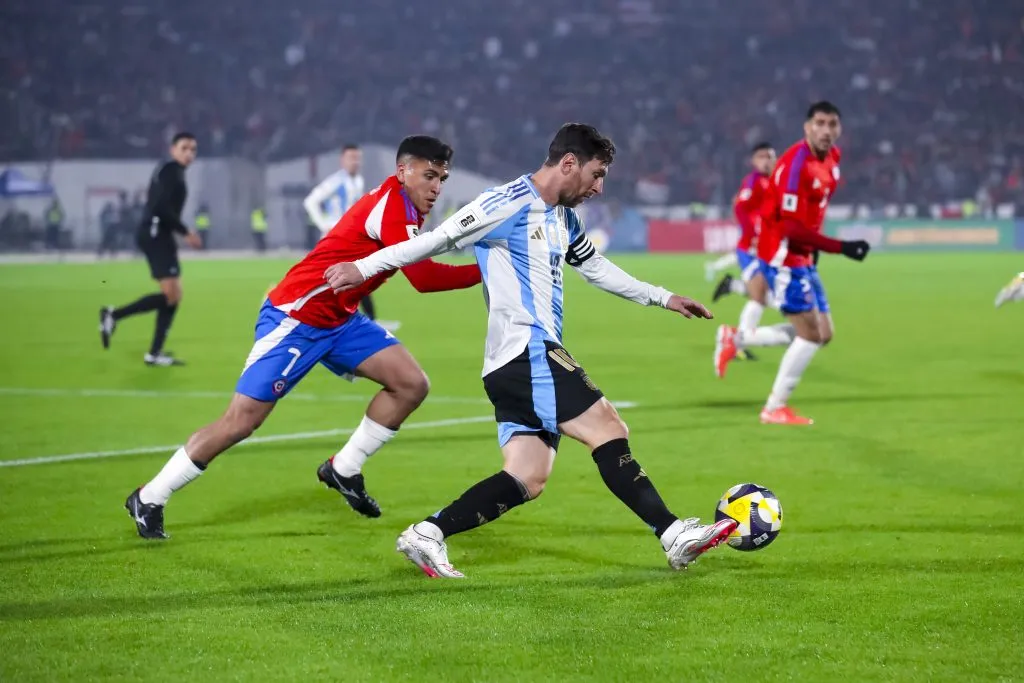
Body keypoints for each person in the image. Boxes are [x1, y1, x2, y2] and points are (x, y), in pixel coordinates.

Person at [324, 123, 737, 578]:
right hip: (528, 350)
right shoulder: (506, 203)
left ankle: (428, 533)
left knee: (528, 475)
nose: (599, 188)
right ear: (568, 163)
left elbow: (595, 267)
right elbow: (433, 241)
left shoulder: (563, 216)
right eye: (596, 174)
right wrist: (362, 267)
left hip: (513, 363)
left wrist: (662, 297)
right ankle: (673, 534)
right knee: (607, 424)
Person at [124, 135, 482, 540]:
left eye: (442, 179)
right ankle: (150, 496)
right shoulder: (391, 209)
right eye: (429, 176)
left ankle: (343, 468)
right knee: (240, 422)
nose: (436, 187)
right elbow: (425, 278)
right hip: (295, 319)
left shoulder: (404, 206)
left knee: (411, 384)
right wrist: (486, 269)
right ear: (403, 172)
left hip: (340, 320)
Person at [728, 102, 871, 425]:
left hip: (802, 253)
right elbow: (790, 225)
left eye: (832, 124)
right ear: (807, 127)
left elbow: (810, 213)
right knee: (809, 334)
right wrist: (840, 246)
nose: (826, 130)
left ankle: (736, 339)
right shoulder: (796, 163)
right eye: (819, 123)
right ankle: (774, 407)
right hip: (782, 256)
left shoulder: (832, 159)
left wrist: (815, 245)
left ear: (839, 129)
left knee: (824, 333)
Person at [99, 133, 202, 366]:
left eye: (193, 149)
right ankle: (114, 316)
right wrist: (186, 232)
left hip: (158, 233)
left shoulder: (170, 171)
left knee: (173, 296)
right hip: (156, 232)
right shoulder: (171, 171)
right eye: (184, 148)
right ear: (173, 149)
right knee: (172, 295)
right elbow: (161, 207)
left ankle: (153, 352)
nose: (189, 153)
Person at [712, 142, 792, 375]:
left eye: (770, 155)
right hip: (752, 249)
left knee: (761, 296)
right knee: (763, 295)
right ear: (753, 161)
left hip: (768, 248)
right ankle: (739, 340)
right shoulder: (754, 181)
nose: (767, 160)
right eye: (761, 156)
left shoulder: (776, 182)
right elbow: (740, 207)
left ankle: (739, 339)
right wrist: (754, 234)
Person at [303, 143, 398, 331]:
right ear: (342, 160)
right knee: (353, 278)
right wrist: (325, 224)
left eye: (357, 158)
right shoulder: (336, 181)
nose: (355, 162)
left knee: (355, 278)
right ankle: (368, 322)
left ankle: (364, 322)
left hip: (349, 239)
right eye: (351, 158)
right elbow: (310, 201)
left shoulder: (357, 181)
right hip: (336, 240)